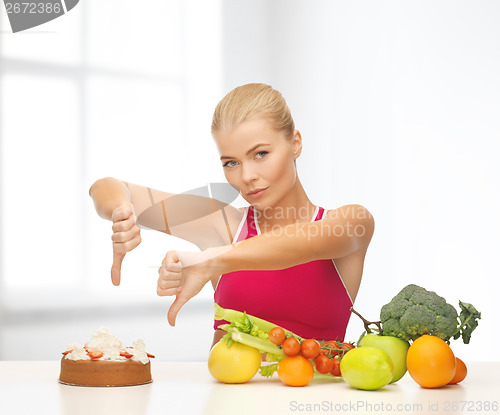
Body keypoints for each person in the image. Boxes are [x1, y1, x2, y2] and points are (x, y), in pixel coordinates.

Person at [89, 83, 374, 352]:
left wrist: (210, 261)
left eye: (261, 154)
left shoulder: (352, 222)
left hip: (313, 403)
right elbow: (106, 186)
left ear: (295, 143)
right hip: (227, 404)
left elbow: (305, 244)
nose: (246, 176)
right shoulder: (224, 225)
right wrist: (121, 209)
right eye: (231, 163)